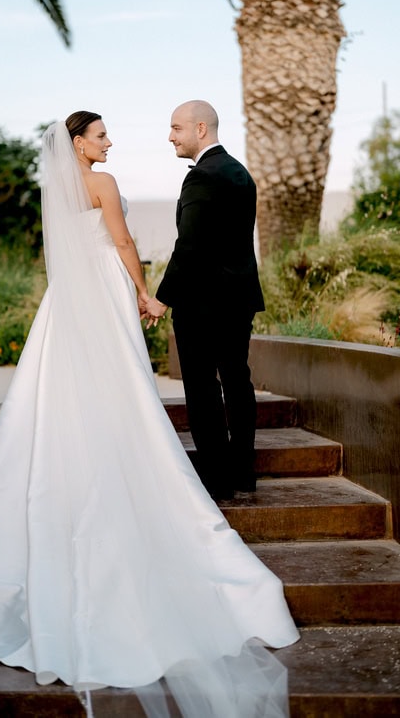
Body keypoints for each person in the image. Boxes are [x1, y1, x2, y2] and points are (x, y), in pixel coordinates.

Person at [0, 111, 299, 718]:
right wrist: (144, 293)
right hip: (108, 290)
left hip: (68, 300)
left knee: (59, 387)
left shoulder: (57, 188)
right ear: (79, 144)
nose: (110, 142)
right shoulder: (106, 184)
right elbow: (124, 242)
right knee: (128, 384)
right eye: (101, 135)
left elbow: (65, 251)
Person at [144, 100, 264, 501]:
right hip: (239, 298)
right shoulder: (239, 172)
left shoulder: (201, 177)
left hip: (202, 303)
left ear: (200, 129)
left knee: (201, 388)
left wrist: (162, 299)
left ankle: (216, 478)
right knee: (237, 380)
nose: (170, 137)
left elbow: (190, 247)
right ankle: (243, 472)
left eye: (176, 128)